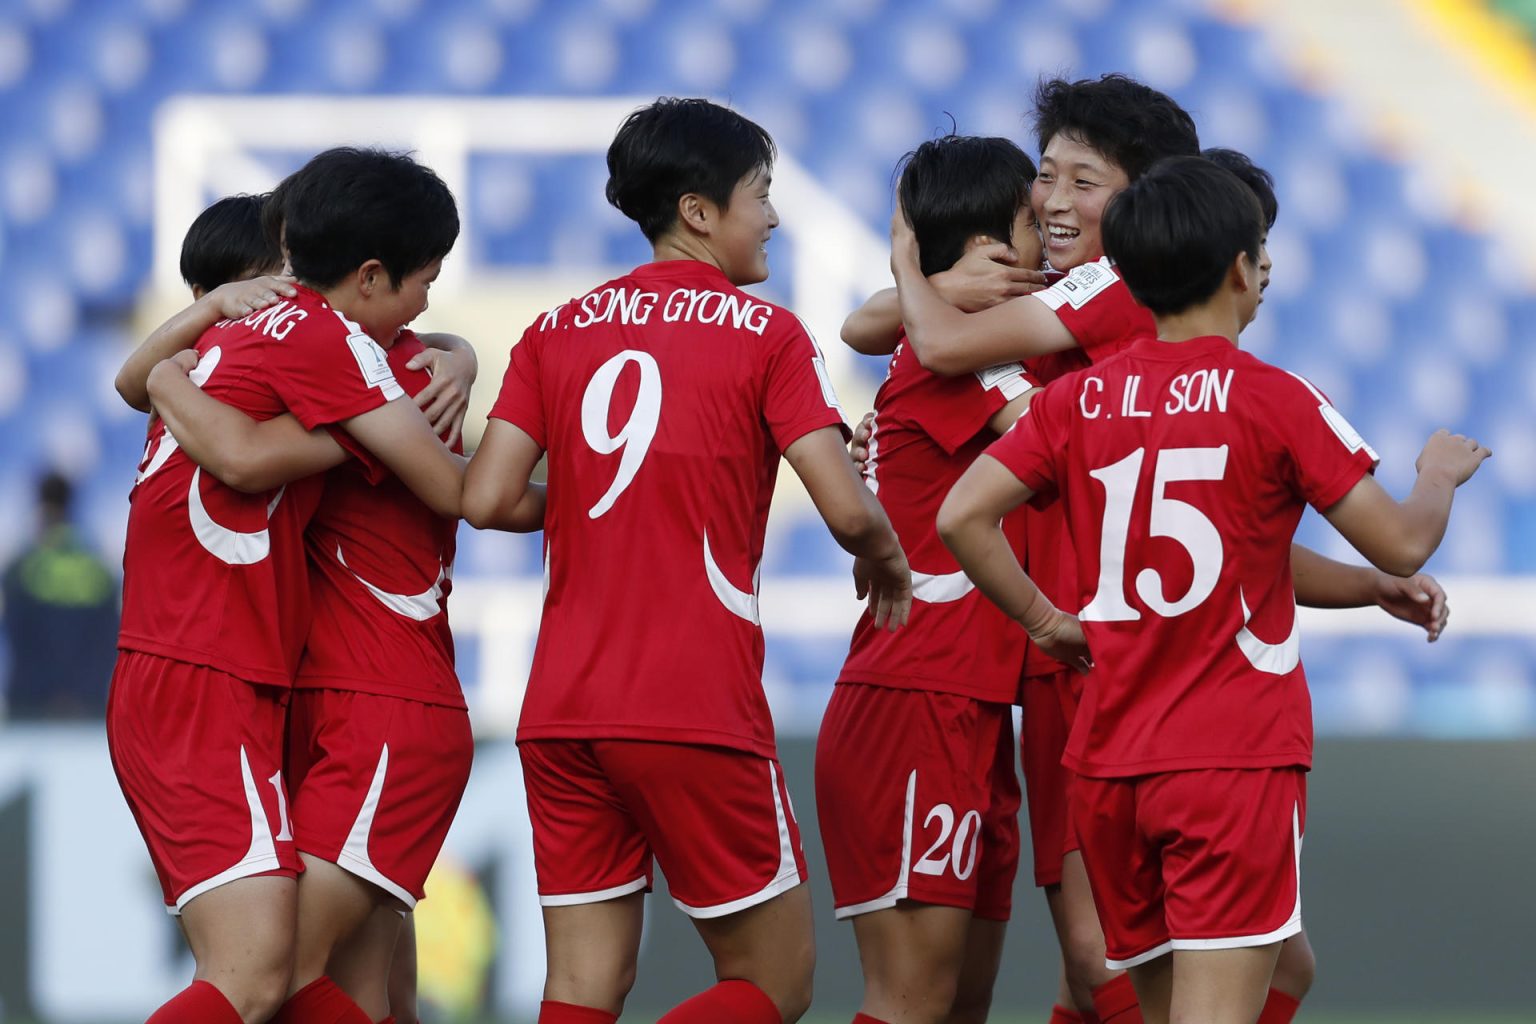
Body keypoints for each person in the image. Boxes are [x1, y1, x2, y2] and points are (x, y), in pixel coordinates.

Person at [937, 154, 1489, 1024]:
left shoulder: (1078, 401)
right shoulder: (1274, 398)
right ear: (1241, 268)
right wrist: (1438, 474)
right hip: (1231, 760)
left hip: (1109, 766)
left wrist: (1046, 623)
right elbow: (1406, 537)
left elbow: (963, 517)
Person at [462, 96, 912, 1024]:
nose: (776, 217)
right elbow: (845, 509)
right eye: (761, 194)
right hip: (691, 701)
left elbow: (488, 498)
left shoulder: (556, 329)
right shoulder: (769, 334)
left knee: (584, 987)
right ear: (701, 212)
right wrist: (888, 553)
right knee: (775, 983)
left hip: (562, 708)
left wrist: (603, 516)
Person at [107, 148, 465, 1024]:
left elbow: (142, 385)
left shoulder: (222, 363)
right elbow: (451, 486)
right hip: (212, 675)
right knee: (264, 975)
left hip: (249, 678)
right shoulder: (308, 350)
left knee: (348, 980)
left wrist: (458, 357)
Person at [815, 133, 1041, 1024]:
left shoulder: (951, 335)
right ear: (988, 247)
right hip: (915, 700)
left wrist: (924, 276)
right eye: (1032, 218)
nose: (1052, 231)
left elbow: (869, 320)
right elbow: (1079, 436)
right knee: (911, 1003)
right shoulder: (965, 362)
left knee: (957, 1004)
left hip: (970, 705)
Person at [1, 471, 118, 720]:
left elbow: (13, 629)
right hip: (87, 706)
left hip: (30, 703)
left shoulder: (21, 567)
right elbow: (110, 637)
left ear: (39, 503)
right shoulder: (98, 569)